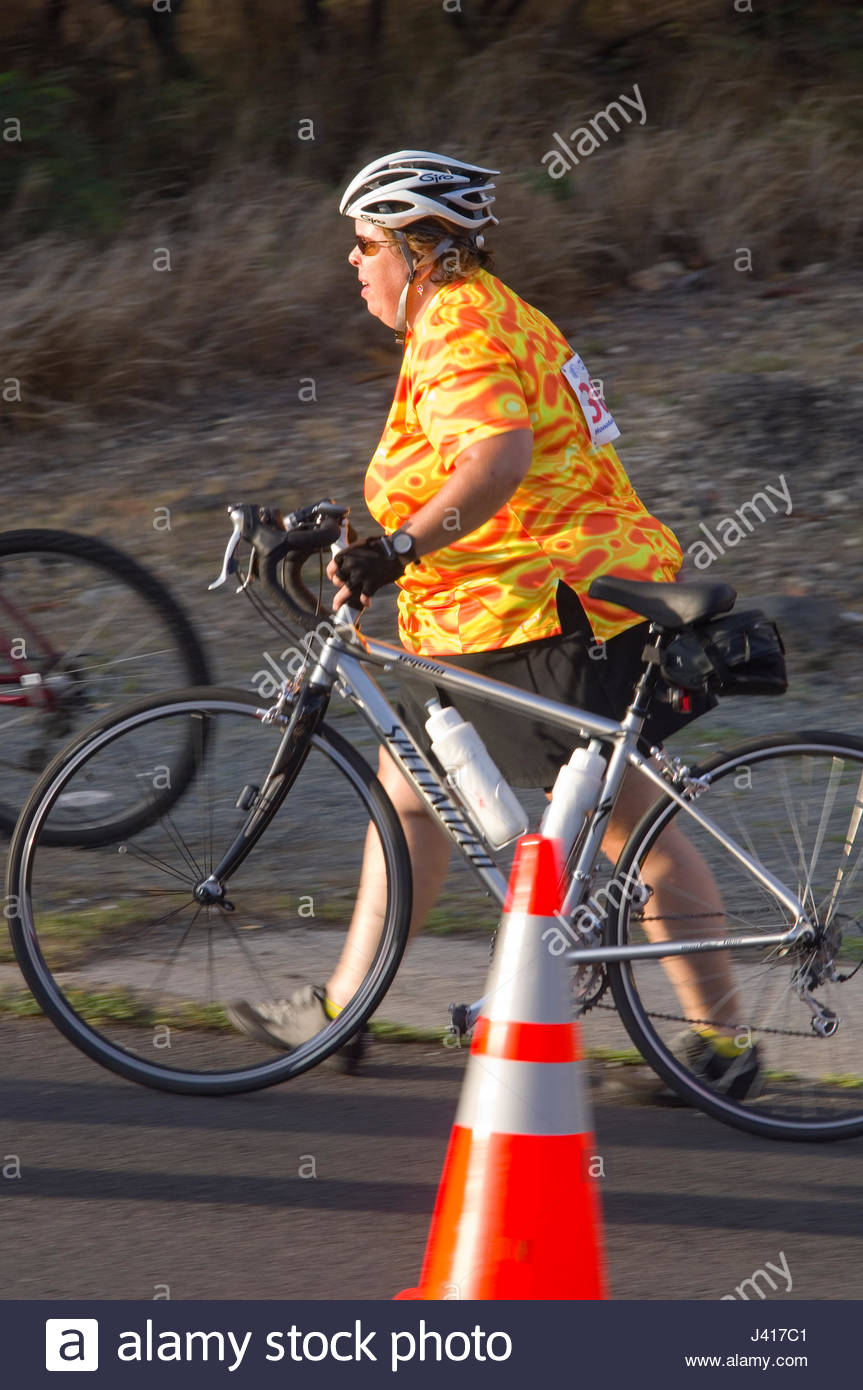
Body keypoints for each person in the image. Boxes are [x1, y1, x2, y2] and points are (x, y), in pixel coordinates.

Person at [229, 150, 762, 1099]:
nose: (354, 264)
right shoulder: (483, 315)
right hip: (539, 599)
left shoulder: (462, 326)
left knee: (619, 822)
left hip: (548, 609)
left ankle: (712, 1045)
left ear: (412, 247)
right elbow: (468, 473)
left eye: (363, 245)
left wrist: (397, 549)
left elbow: (498, 458)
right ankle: (345, 1010)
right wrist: (365, 536)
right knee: (412, 788)